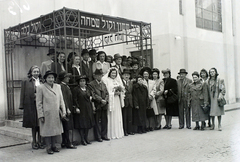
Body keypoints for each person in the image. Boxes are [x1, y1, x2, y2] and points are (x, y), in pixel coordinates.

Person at [36, 70, 66, 154]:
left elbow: (61, 100)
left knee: (55, 130)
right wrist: (40, 115)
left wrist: (63, 111)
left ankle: (54, 146)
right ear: (45, 78)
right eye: (49, 77)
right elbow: (39, 103)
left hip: (56, 112)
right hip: (47, 113)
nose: (51, 79)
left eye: (52, 77)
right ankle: (48, 147)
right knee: (48, 131)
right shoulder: (41, 87)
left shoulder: (58, 86)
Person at [19, 65, 44, 149]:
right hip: (31, 105)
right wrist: (22, 105)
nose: (36, 73)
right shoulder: (26, 81)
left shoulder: (42, 81)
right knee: (34, 124)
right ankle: (34, 141)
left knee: (40, 123)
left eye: (37, 72)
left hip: (40, 105)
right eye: (34, 72)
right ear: (31, 73)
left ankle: (40, 141)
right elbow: (22, 94)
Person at [102, 67, 125, 139]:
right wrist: (113, 92)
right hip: (111, 99)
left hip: (117, 99)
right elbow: (107, 90)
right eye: (112, 73)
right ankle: (111, 133)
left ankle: (118, 132)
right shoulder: (107, 80)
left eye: (115, 73)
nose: (114, 75)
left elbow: (122, 90)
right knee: (112, 115)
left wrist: (120, 92)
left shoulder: (117, 81)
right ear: (109, 73)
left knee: (117, 114)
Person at [72, 75, 95, 145]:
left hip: (88, 108)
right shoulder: (76, 90)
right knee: (82, 124)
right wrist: (76, 107)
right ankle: (82, 139)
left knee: (87, 124)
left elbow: (91, 97)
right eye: (81, 81)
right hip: (81, 108)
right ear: (78, 82)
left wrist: (93, 105)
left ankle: (86, 138)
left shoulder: (88, 89)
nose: (82, 82)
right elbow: (74, 99)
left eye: (84, 81)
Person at [89, 69, 110, 142]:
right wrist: (101, 100)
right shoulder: (91, 84)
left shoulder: (103, 84)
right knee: (97, 121)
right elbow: (93, 94)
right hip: (97, 104)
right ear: (95, 76)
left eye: (101, 75)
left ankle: (104, 135)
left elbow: (107, 93)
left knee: (104, 120)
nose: (99, 77)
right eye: (98, 75)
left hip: (104, 105)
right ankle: (98, 136)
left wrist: (106, 100)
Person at [58, 71, 76, 149]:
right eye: (67, 77)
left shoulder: (66, 86)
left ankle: (65, 142)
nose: (68, 78)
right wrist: (67, 109)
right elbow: (64, 98)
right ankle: (68, 142)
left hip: (69, 108)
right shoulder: (62, 86)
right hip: (66, 109)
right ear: (63, 78)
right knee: (67, 127)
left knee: (67, 126)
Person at [140, 67, 157, 131]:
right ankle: (146, 126)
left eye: (147, 74)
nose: (146, 75)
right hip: (144, 99)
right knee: (145, 113)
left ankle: (151, 126)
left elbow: (154, 90)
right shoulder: (141, 81)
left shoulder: (152, 82)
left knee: (151, 112)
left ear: (149, 75)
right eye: (144, 74)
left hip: (151, 99)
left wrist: (151, 96)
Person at [121, 69, 134, 136]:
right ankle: (125, 130)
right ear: (122, 76)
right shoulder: (121, 82)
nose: (126, 76)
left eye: (128, 75)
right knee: (124, 116)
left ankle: (130, 130)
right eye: (125, 75)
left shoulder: (130, 82)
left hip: (130, 101)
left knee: (130, 116)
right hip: (124, 100)